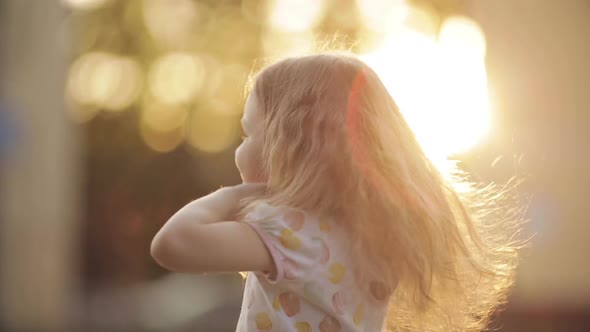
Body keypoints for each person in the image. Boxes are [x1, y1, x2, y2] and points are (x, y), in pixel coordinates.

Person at [151, 53, 523, 332]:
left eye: (248, 134)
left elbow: (172, 244)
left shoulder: (290, 233)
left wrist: (231, 196)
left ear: (287, 149)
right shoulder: (372, 239)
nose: (238, 150)